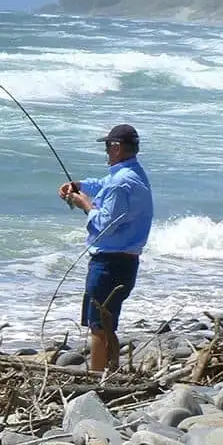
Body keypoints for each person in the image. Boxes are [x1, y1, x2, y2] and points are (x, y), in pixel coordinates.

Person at [57, 123, 153, 371]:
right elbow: (104, 184)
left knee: (98, 325)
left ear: (118, 148)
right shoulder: (132, 173)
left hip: (110, 262)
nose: (107, 152)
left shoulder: (121, 182)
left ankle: (96, 379)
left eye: (108, 147)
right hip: (124, 261)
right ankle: (111, 372)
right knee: (107, 322)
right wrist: (80, 185)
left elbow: (105, 224)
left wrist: (85, 204)